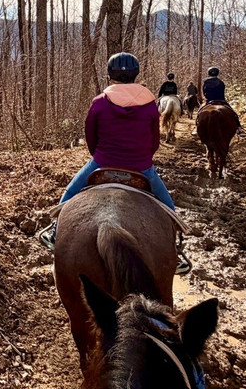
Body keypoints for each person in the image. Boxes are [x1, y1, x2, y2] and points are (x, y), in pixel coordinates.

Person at [38, 52, 176, 252]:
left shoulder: (100, 102)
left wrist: (99, 156)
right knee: (169, 206)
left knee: (67, 196)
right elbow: (155, 140)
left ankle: (55, 234)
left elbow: (90, 136)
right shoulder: (149, 104)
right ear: (136, 74)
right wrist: (143, 158)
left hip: (103, 162)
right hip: (141, 166)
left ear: (109, 74)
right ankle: (175, 248)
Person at [202, 66, 243, 131]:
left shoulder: (205, 82)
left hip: (209, 101)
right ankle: (239, 128)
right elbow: (223, 91)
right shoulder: (221, 82)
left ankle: (197, 127)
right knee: (234, 114)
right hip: (221, 100)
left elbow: (204, 92)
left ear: (209, 73)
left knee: (200, 112)